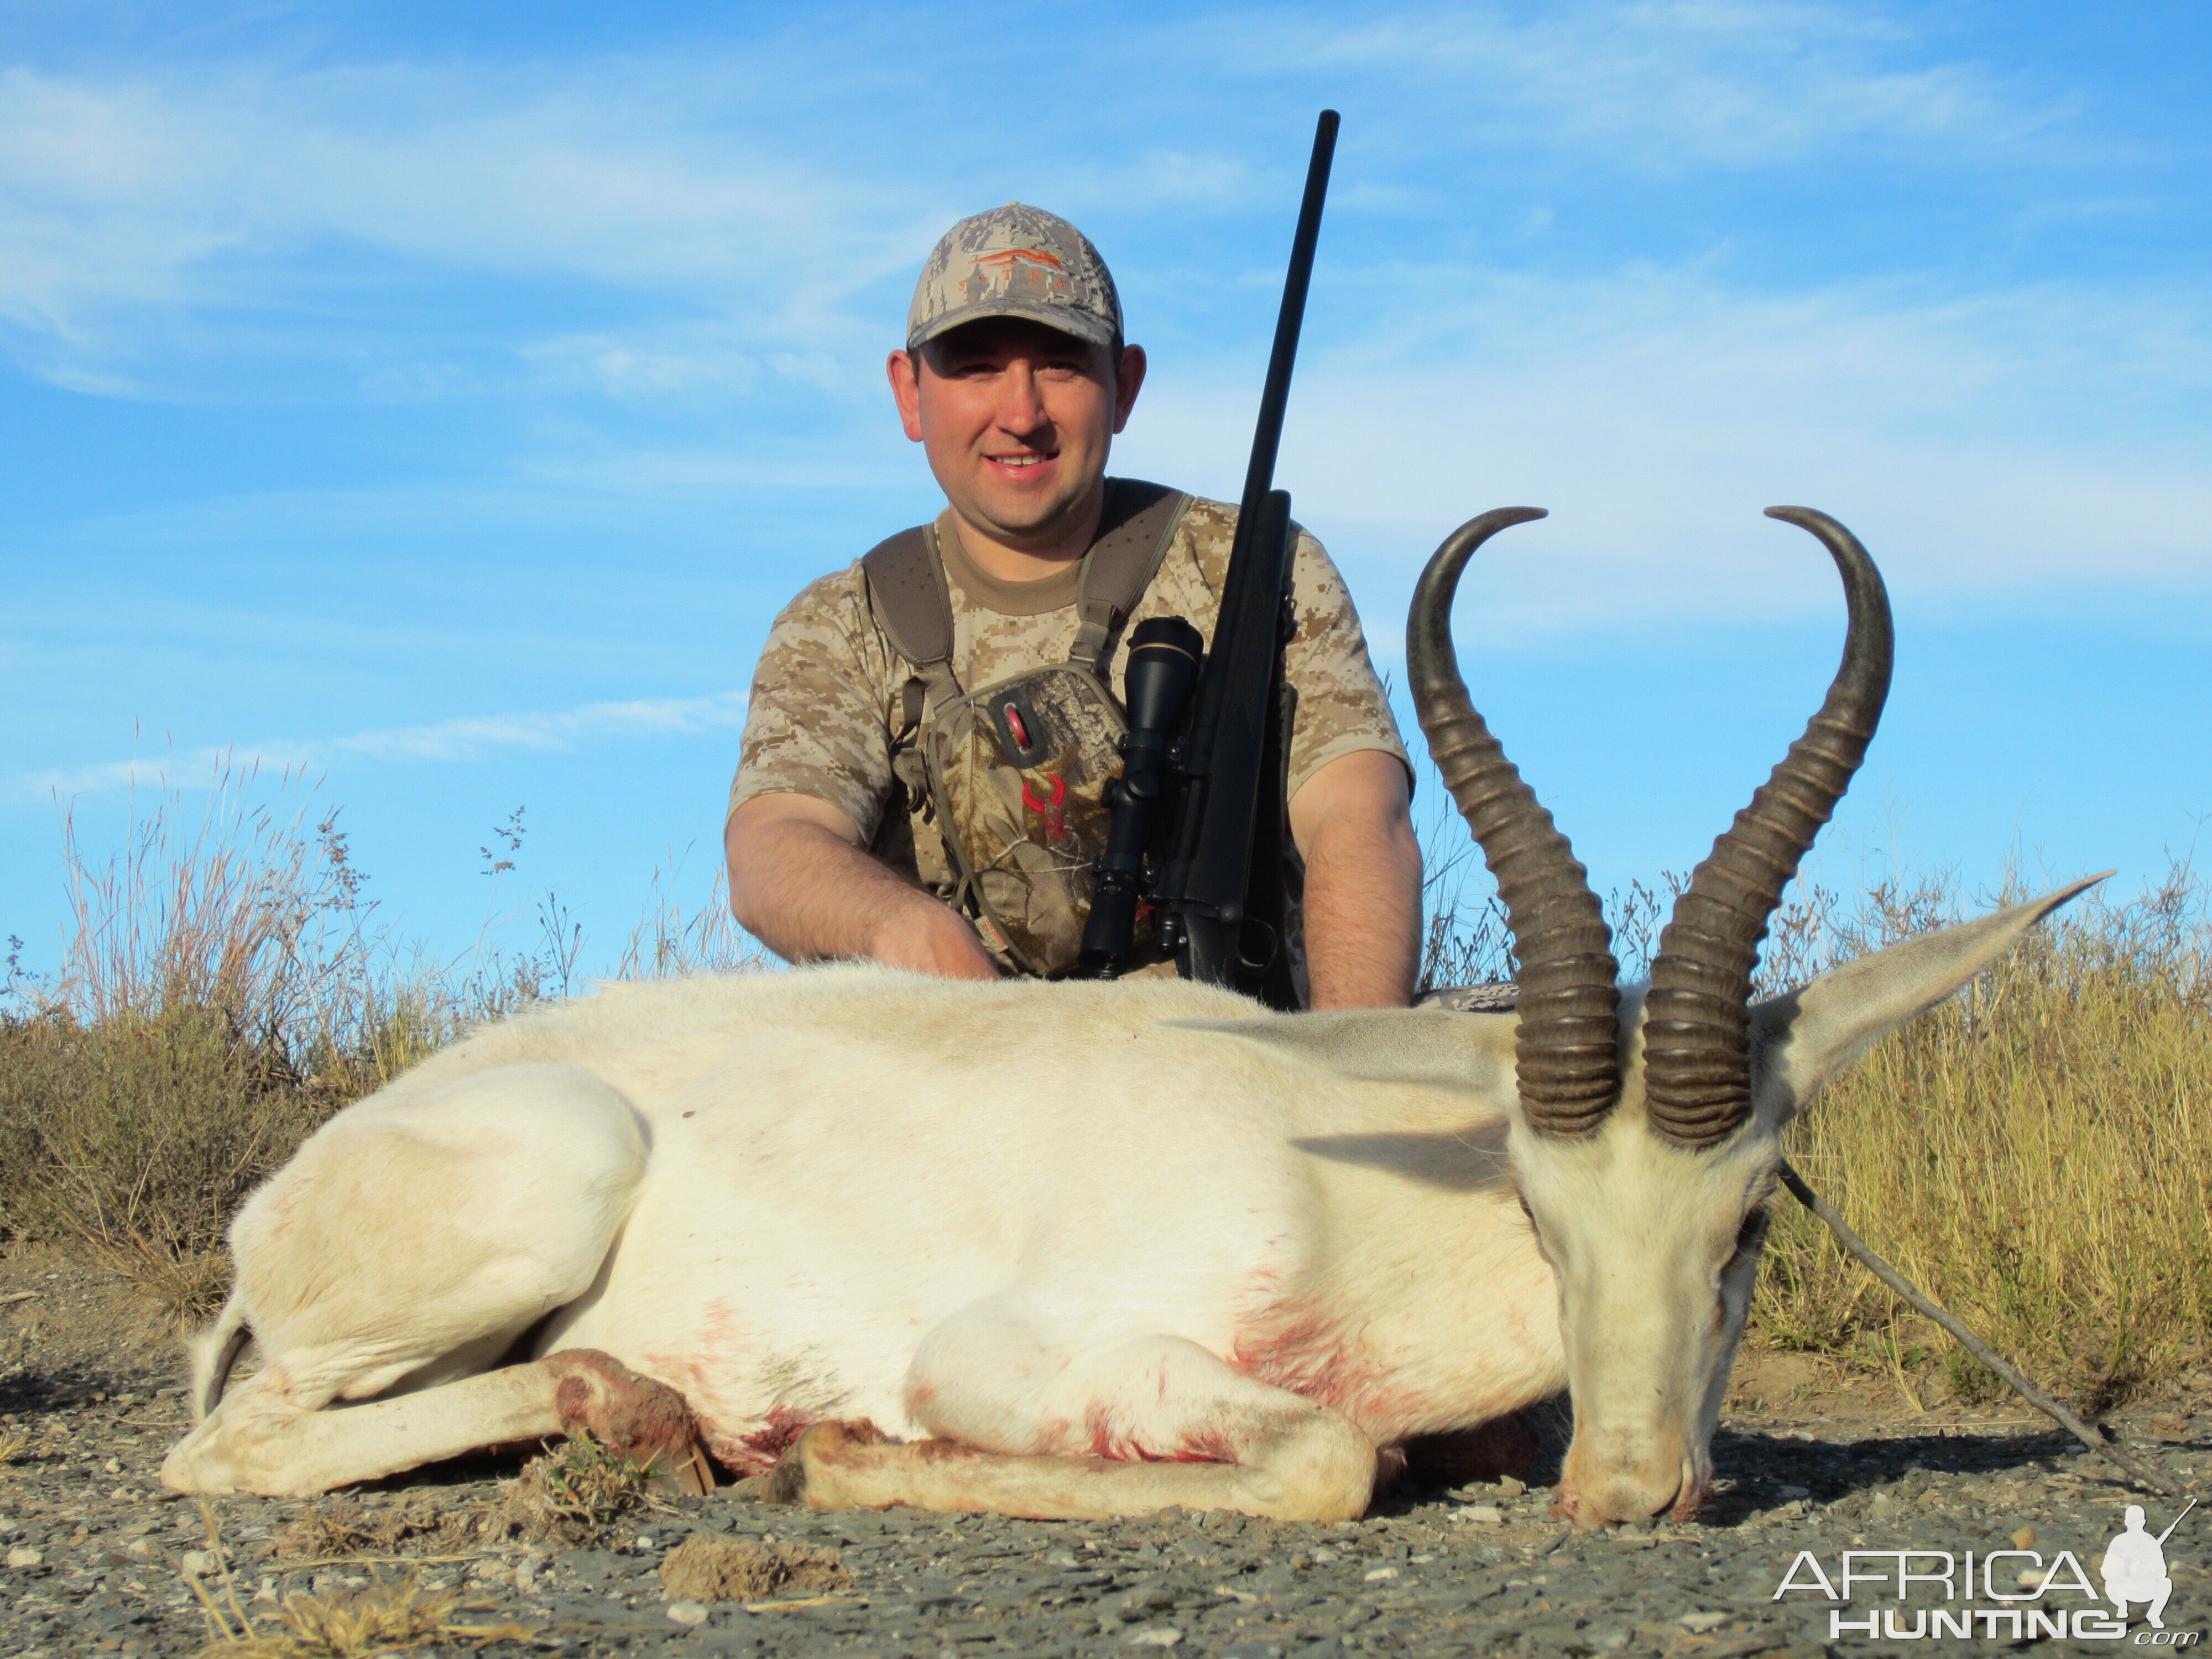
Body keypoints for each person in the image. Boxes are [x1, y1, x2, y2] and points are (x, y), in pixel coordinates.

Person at [724, 204, 1421, 1009]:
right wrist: (903, 929)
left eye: (1060, 366)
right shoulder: (844, 621)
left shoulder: (1253, 570)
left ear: (1123, 387)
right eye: (977, 367)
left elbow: (1358, 817)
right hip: (960, 1084)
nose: (1021, 415)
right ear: (908, 394)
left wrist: (1349, 1063)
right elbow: (773, 849)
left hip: (1242, 1074)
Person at [2101, 1505, 2174, 1627]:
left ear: (2143, 1522)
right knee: (2110, 1582)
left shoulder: (2150, 1541)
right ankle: (2122, 1607)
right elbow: (2107, 1569)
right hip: (2122, 1587)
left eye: (2137, 1521)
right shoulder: (2118, 1540)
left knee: (2166, 1583)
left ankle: (2154, 1615)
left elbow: (2162, 1570)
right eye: (2132, 1521)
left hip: (2144, 1587)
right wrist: (2125, 1568)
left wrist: (2146, 1568)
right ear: (2126, 1522)